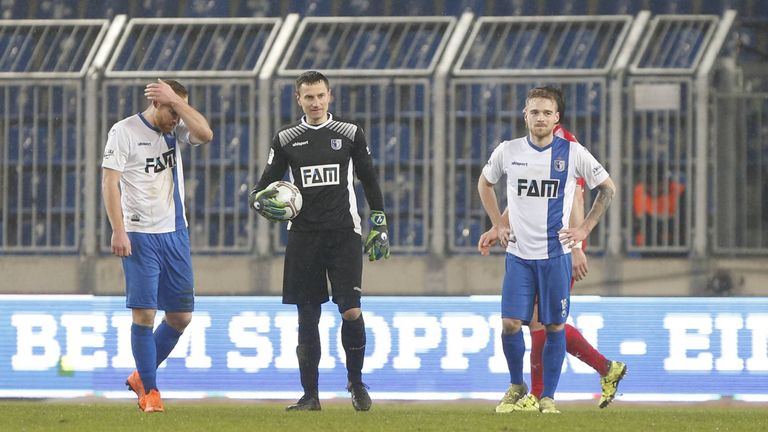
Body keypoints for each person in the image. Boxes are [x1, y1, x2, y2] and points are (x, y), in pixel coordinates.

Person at [248, 70, 389, 412]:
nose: (314, 102)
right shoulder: (286, 140)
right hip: (304, 237)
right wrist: (261, 202)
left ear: (330, 97)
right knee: (307, 317)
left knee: (351, 311)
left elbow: (369, 178)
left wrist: (379, 222)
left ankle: (356, 383)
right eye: (308, 97)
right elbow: (264, 186)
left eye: (320, 96)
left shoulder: (350, 133)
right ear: (298, 99)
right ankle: (311, 396)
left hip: (344, 234)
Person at [478, 87, 626, 410]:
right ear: (526, 114)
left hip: (558, 249)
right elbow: (523, 196)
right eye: (535, 112)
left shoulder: (569, 148)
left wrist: (578, 246)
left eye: (547, 112)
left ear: (556, 115)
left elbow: (577, 197)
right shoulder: (515, 150)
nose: (541, 118)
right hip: (524, 249)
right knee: (532, 323)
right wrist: (498, 225)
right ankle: (600, 370)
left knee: (543, 323)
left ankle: (541, 395)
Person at [102, 79, 213, 413]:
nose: (176, 119)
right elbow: (110, 181)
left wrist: (177, 105)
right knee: (145, 313)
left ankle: (140, 376)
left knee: (180, 317)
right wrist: (118, 230)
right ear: (156, 104)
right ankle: (150, 392)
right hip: (139, 235)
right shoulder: (123, 131)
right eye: (171, 111)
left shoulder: (175, 130)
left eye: (179, 111)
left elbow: (206, 134)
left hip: (175, 233)